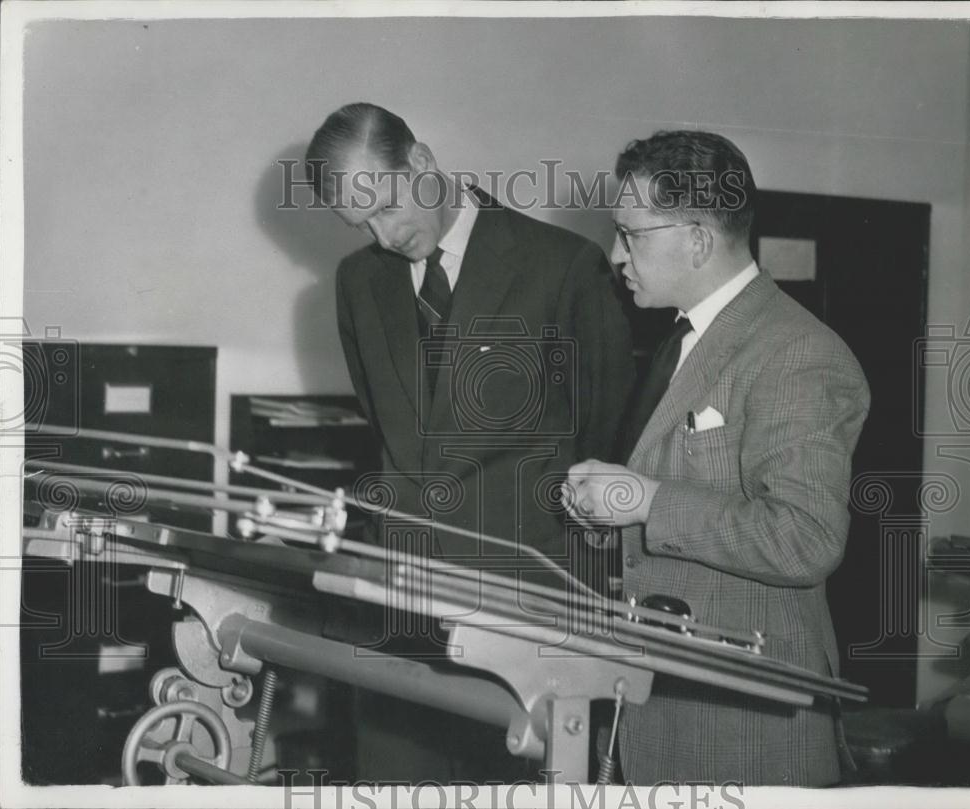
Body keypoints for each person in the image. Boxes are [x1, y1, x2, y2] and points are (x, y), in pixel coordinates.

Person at [305, 102, 633, 781]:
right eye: (359, 222)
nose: (383, 233)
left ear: (422, 162)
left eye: (385, 204)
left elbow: (605, 430)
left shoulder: (564, 266)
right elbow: (395, 429)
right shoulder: (358, 284)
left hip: (531, 602)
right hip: (405, 606)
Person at [565, 130, 870, 786]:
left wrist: (647, 501)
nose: (617, 253)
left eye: (632, 234)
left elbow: (806, 537)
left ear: (698, 237)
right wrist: (610, 507)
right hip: (661, 707)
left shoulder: (795, 352)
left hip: (742, 727)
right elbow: (669, 499)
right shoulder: (679, 341)